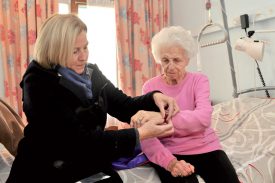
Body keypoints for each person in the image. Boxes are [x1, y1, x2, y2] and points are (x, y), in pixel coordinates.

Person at [6, 14, 180, 183]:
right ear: (56, 50)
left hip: (83, 166)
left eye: (85, 47)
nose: (84, 56)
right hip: (42, 172)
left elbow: (124, 105)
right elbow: (77, 141)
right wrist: (140, 133)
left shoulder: (91, 74)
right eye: (75, 51)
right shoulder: (38, 84)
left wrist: (154, 97)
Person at [138, 26, 240, 183]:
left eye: (176, 60)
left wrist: (160, 118)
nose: (170, 66)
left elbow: (203, 119)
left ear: (187, 59)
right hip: (171, 151)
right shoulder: (150, 87)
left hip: (206, 148)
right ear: (158, 58)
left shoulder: (199, 81)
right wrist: (169, 162)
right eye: (165, 60)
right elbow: (147, 134)